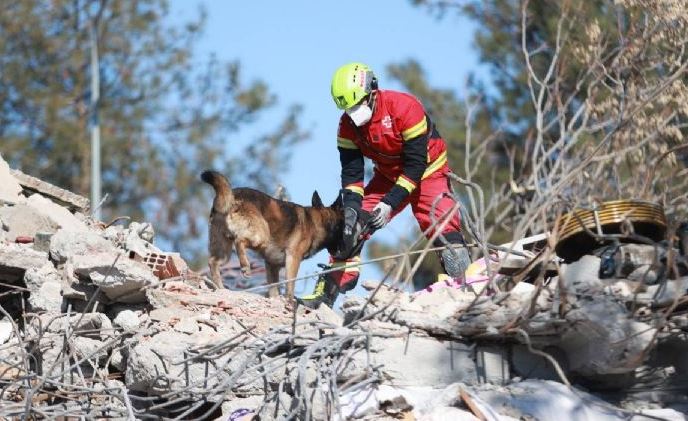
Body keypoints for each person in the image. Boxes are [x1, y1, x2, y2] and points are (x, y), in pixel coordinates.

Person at [298, 62, 471, 309]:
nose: (354, 113)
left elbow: (415, 165)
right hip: (387, 176)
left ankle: (466, 291)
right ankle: (327, 291)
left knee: (445, 231)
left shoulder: (405, 108)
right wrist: (353, 210)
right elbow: (352, 172)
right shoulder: (346, 125)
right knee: (348, 227)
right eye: (348, 108)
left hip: (429, 172)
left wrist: (389, 204)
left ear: (373, 91)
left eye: (358, 105)